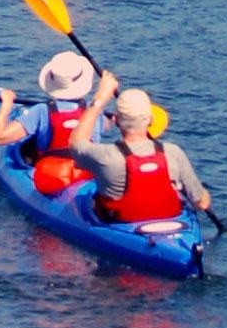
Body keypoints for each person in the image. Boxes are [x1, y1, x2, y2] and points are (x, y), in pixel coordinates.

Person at [71, 71, 212, 223]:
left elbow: (75, 142)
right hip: (171, 224)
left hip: (121, 223)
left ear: (116, 121)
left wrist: (99, 100)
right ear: (151, 120)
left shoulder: (105, 156)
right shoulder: (172, 152)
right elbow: (202, 203)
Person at [0, 51, 113, 194]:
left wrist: (7, 104)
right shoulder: (95, 111)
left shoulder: (41, 111)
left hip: (52, 177)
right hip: (87, 174)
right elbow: (107, 124)